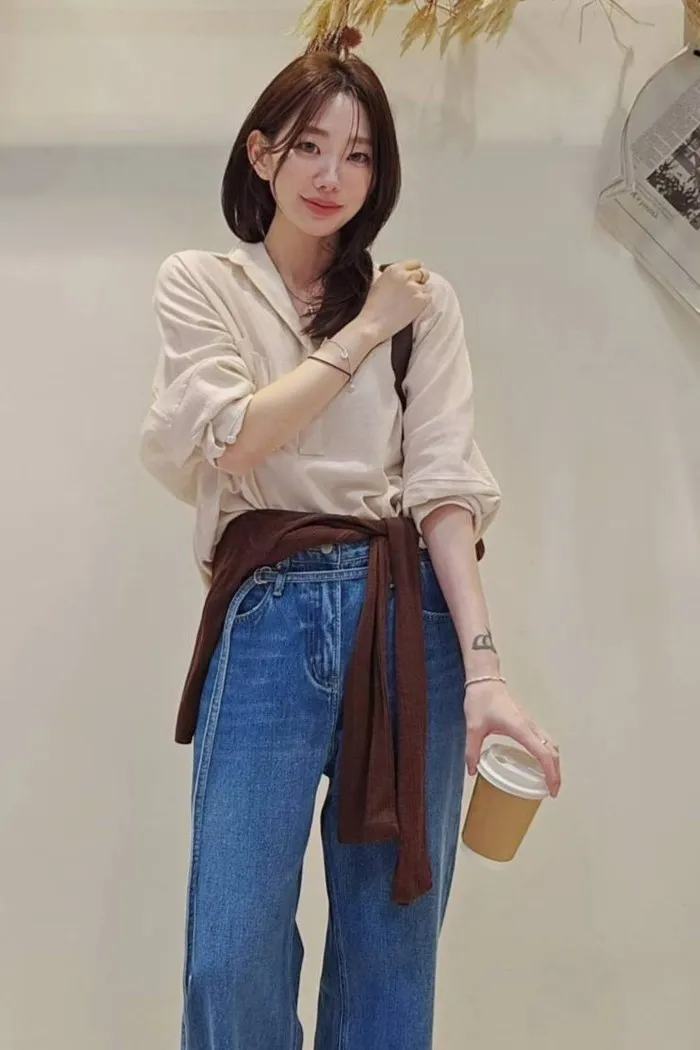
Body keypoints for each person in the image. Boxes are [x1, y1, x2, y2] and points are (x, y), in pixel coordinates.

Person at [140, 41, 561, 1050]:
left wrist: (485, 672)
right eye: (308, 146)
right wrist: (366, 327)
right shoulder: (204, 284)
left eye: (360, 154)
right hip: (270, 611)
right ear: (261, 155)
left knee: (391, 948)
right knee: (229, 949)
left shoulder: (425, 303)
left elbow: (445, 490)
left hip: (405, 613)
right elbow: (239, 436)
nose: (332, 175)